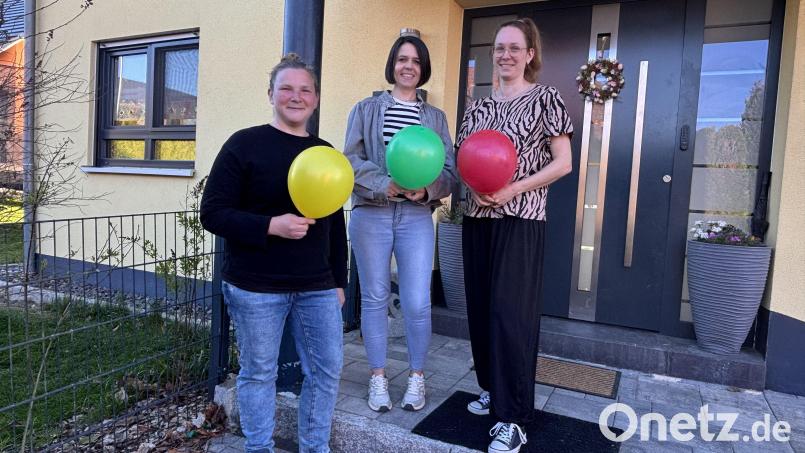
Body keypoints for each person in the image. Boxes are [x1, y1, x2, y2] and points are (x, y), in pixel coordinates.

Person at [200, 53, 347, 453]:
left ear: (316, 98)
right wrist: (270, 225)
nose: (296, 97)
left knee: (326, 371)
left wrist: (339, 282)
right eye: (286, 88)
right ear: (270, 94)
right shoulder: (243, 144)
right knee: (259, 373)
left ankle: (315, 448)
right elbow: (212, 212)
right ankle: (259, 448)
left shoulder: (325, 152)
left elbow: (335, 225)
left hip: (317, 286)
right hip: (256, 286)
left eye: (305, 90)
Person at [455, 18, 573, 453]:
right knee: (481, 312)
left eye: (514, 48)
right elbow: (464, 159)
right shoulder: (477, 107)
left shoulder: (545, 98)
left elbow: (563, 163)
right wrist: (474, 188)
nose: (505, 55)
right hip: (477, 218)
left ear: (529, 55)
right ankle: (492, 389)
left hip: (521, 219)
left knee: (511, 318)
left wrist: (513, 189)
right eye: (500, 47)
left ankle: (514, 417)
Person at [344, 35, 457, 412]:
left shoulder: (436, 118)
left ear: (424, 69)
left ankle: (416, 378)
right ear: (392, 64)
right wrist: (383, 183)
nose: (409, 66)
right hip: (371, 213)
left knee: (418, 301)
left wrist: (425, 190)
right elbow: (350, 161)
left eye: (416, 61)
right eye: (402, 59)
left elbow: (449, 171)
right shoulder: (365, 109)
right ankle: (377, 377)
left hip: (415, 216)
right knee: (375, 298)